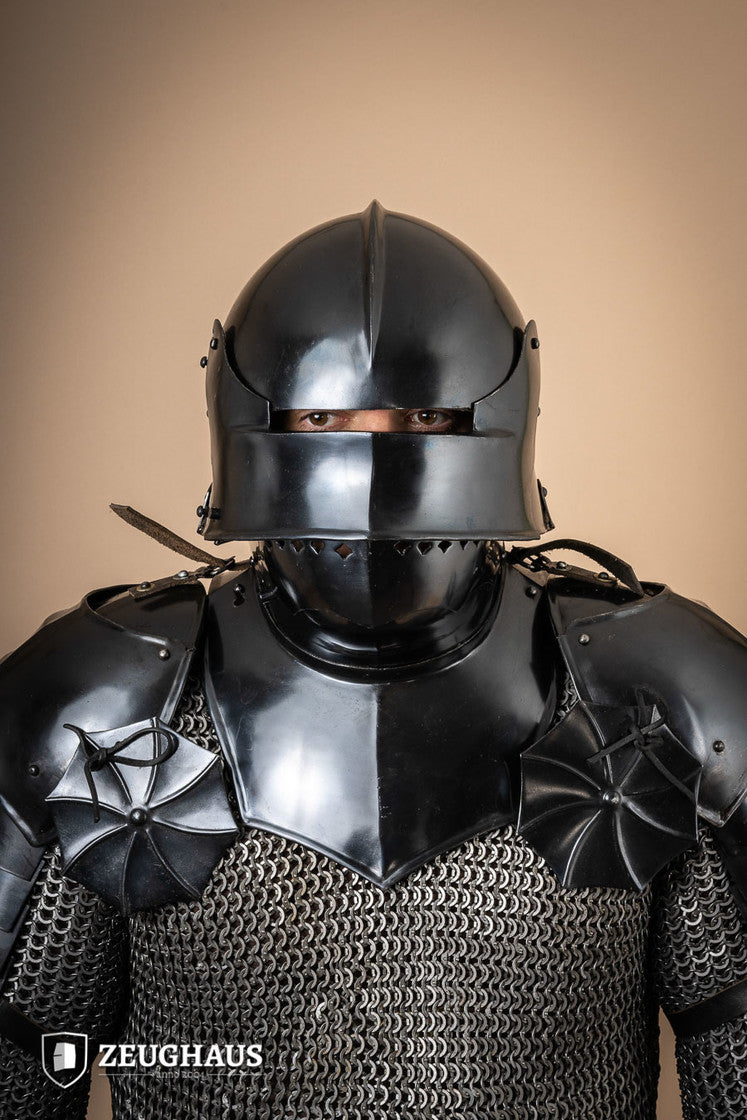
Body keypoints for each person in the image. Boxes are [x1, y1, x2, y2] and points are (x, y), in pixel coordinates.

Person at [0, 202, 745, 1119]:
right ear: (253, 420)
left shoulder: (655, 694)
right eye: (320, 415)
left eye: (421, 416)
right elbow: (29, 1053)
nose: (369, 456)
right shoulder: (110, 702)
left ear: (493, 420)